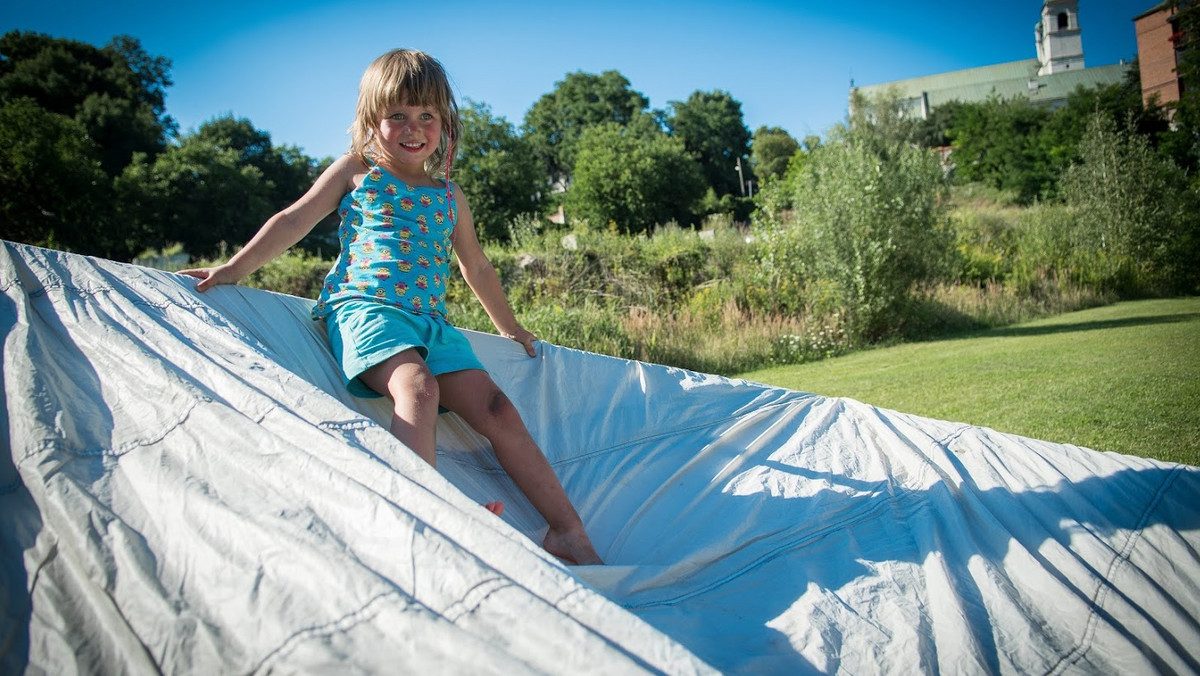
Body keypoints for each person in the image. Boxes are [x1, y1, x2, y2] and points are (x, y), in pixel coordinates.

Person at [180, 48, 603, 566]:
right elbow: (294, 220)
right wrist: (231, 271)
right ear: (369, 120)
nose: (413, 127)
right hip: (365, 309)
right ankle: (422, 519)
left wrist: (510, 327)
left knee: (498, 410)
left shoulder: (450, 194)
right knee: (418, 389)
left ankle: (568, 533)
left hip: (431, 323)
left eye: (426, 116)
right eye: (397, 115)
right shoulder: (358, 172)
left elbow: (476, 265)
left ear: (443, 123)